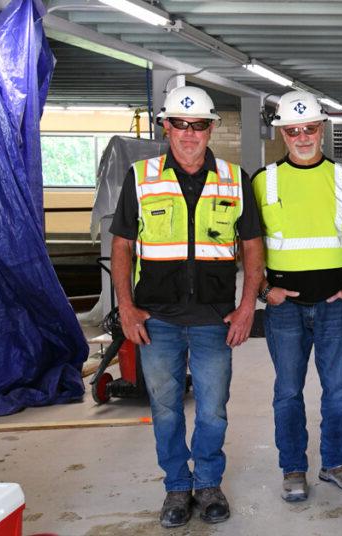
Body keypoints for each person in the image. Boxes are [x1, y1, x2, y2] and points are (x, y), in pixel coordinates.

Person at [110, 85, 263, 528]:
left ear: (212, 127)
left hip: (214, 319)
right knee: (165, 407)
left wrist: (247, 306)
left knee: (213, 407)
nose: (189, 133)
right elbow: (121, 246)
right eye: (180, 123)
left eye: (198, 125)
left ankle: (208, 483)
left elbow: (252, 248)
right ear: (166, 126)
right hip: (156, 318)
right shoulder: (141, 176)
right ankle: (177, 487)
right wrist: (126, 307)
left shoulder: (235, 179)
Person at [252, 91, 342, 503]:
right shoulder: (263, 181)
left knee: (339, 391)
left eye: (310, 128)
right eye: (293, 130)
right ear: (283, 134)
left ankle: (336, 463)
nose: (302, 137)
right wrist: (265, 291)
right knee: (288, 391)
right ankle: (293, 469)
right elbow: (243, 245)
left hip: (336, 307)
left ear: (322, 129)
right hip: (285, 310)